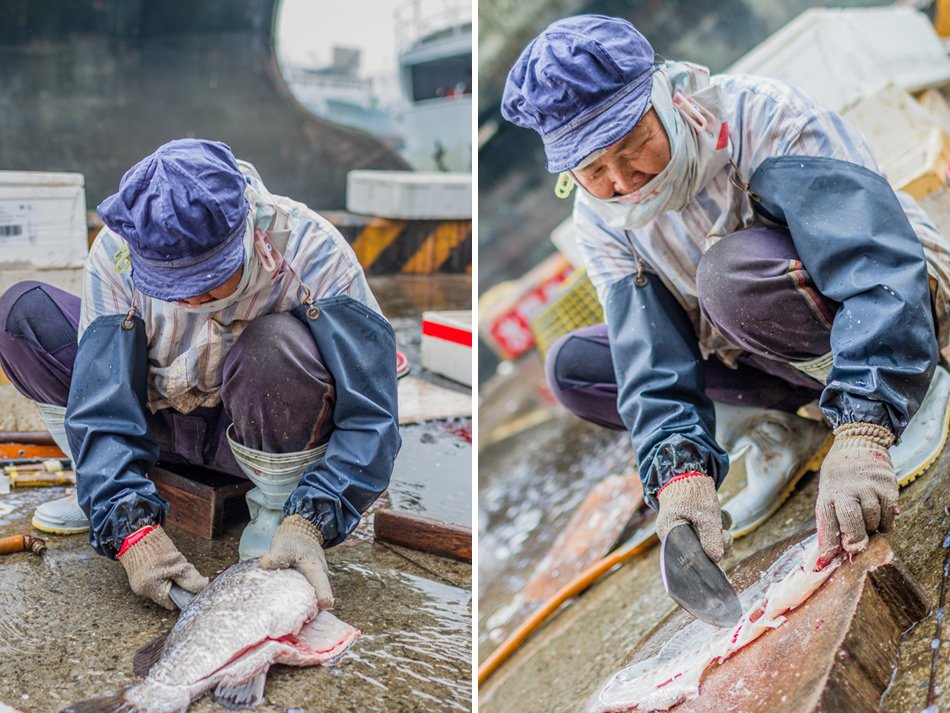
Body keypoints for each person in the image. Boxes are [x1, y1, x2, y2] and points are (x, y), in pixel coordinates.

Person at [501, 15, 950, 566]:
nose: (622, 182)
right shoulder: (599, 221)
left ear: (666, 99)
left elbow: (874, 263)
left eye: (633, 145)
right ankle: (781, 432)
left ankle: (898, 395)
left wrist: (863, 430)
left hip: (901, 303)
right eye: (593, 169)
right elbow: (651, 359)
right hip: (762, 343)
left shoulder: (766, 116)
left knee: (728, 278)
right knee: (576, 366)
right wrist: (679, 474)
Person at [0, 139, 401, 609]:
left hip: (251, 435)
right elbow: (100, 402)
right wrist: (129, 530)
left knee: (273, 345)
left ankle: (278, 512)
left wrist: (314, 517)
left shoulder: (314, 251)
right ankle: (103, 489)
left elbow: (372, 415)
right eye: (169, 286)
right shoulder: (118, 250)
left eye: (206, 281)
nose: (187, 301)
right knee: (24, 315)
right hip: (158, 426)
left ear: (247, 232)